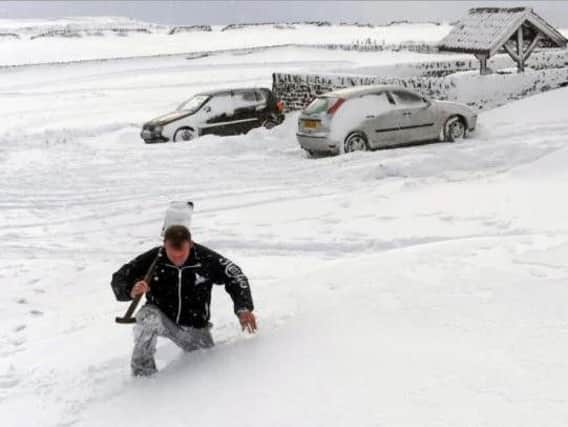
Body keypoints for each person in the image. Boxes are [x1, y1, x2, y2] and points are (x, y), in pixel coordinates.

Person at [111, 225, 256, 376]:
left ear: (191, 244)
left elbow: (236, 276)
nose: (178, 261)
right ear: (165, 245)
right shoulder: (155, 258)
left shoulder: (205, 259)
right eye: (173, 256)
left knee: (205, 361)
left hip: (195, 326)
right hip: (162, 317)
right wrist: (131, 290)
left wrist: (243, 308)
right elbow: (119, 277)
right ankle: (143, 375)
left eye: (182, 256)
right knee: (148, 318)